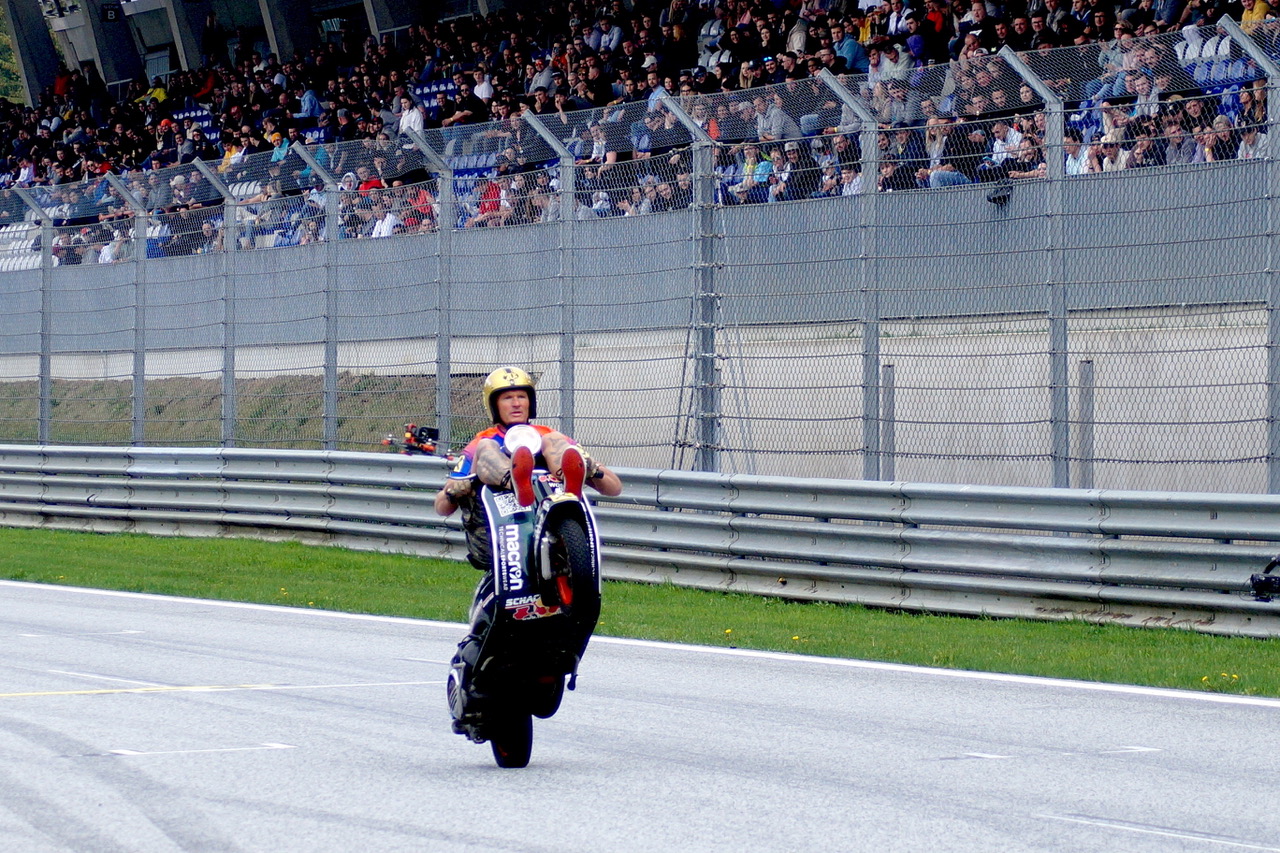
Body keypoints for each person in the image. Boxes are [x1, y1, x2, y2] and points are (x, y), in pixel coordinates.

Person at [434, 366, 622, 570]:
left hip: (550, 529)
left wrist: (592, 468)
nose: (516, 404)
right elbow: (441, 507)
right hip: (495, 538)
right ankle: (513, 480)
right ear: (494, 405)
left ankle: (568, 482)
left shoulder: (548, 435)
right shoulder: (482, 441)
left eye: (522, 397)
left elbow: (614, 488)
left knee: (554, 440)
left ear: (530, 402)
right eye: (507, 398)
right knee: (486, 447)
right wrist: (454, 490)